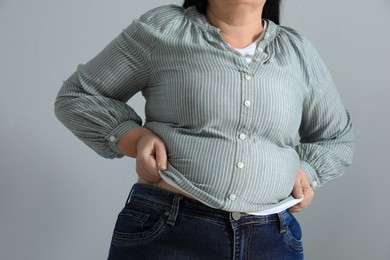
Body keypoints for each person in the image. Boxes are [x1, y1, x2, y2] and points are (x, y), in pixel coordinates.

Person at [55, 0, 355, 259]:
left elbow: (336, 139)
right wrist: (133, 138)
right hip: (169, 231)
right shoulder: (164, 29)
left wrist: (308, 171)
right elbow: (79, 95)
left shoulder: (297, 52)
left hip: (271, 240)